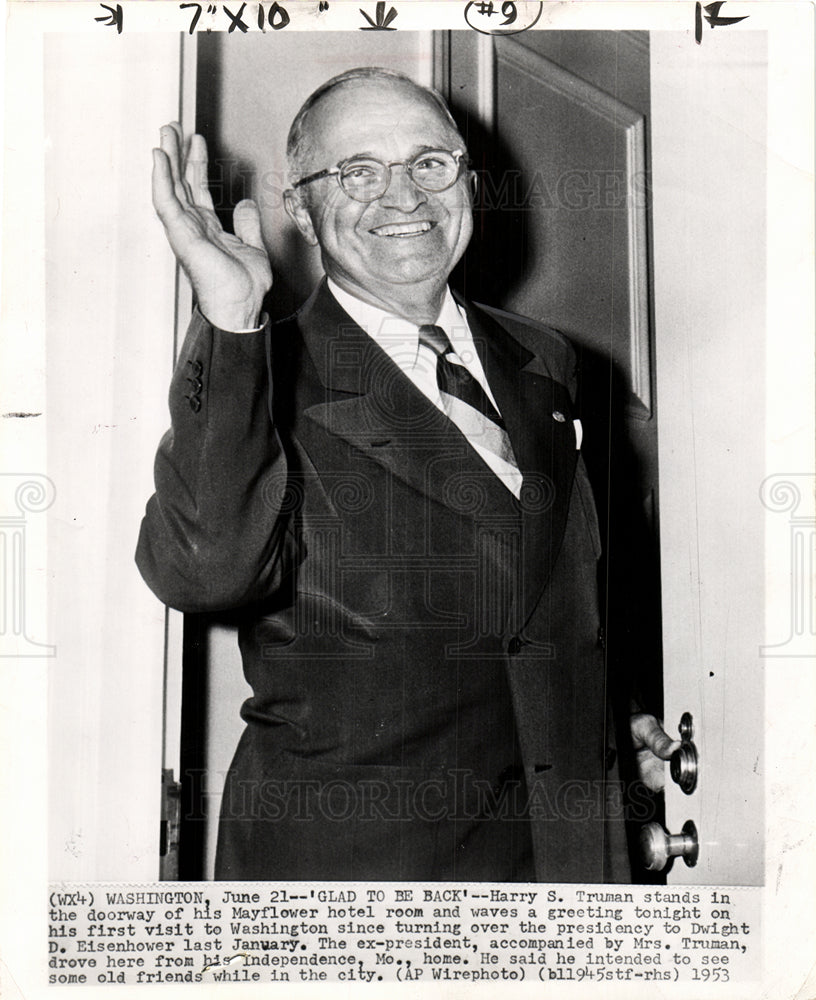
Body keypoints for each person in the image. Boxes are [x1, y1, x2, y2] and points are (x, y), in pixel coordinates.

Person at [137, 66, 677, 882]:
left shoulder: (547, 360)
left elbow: (548, 591)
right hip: (357, 876)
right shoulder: (266, 369)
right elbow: (204, 572)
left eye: (431, 163)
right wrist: (230, 316)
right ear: (303, 211)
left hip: (564, 864)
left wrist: (613, 713)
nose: (405, 198)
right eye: (358, 172)